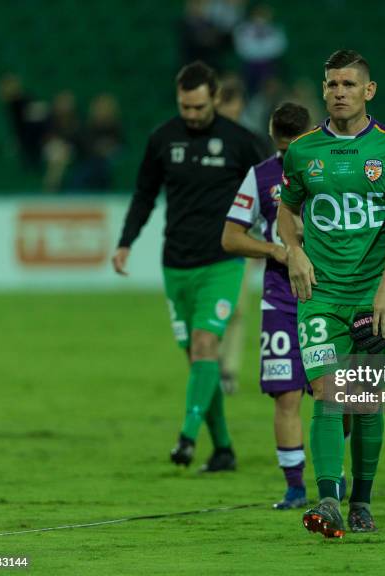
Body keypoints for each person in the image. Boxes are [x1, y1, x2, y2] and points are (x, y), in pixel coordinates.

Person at [277, 50, 385, 537]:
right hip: (319, 295)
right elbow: (286, 210)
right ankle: (330, 501)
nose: (339, 92)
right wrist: (293, 251)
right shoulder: (302, 151)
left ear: (368, 91)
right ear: (323, 90)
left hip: (373, 296)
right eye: (332, 84)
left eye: (348, 85)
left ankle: (362, 500)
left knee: (367, 401)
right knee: (327, 392)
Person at [112, 60, 268, 472]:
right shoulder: (162, 139)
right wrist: (125, 242)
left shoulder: (241, 142)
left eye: (199, 107)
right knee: (199, 361)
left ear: (215, 98)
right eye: (185, 107)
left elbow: (277, 184)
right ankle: (224, 450)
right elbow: (144, 194)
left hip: (222, 262)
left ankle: (186, 437)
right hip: (176, 265)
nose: (192, 115)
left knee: (204, 346)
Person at [222, 102, 315, 509]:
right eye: (281, 148)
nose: (286, 155)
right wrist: (274, 251)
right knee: (286, 394)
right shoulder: (260, 176)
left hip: (329, 295)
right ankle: (294, 486)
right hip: (280, 298)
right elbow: (230, 237)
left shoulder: (331, 169)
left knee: (340, 397)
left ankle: (336, 475)